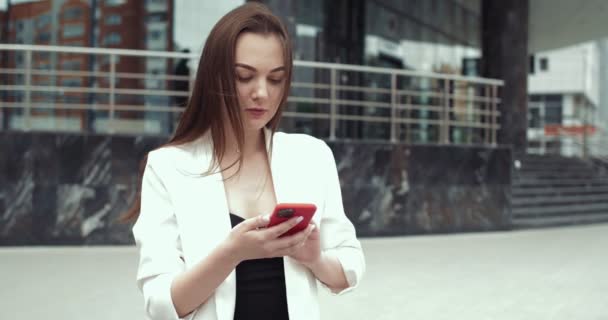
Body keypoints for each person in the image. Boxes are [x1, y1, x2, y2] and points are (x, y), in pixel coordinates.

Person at [122, 3, 365, 320]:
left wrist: (314, 258)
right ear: (215, 76)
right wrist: (233, 252)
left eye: (276, 79)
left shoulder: (311, 156)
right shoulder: (168, 167)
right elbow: (162, 305)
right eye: (244, 76)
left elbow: (350, 267)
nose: (261, 92)